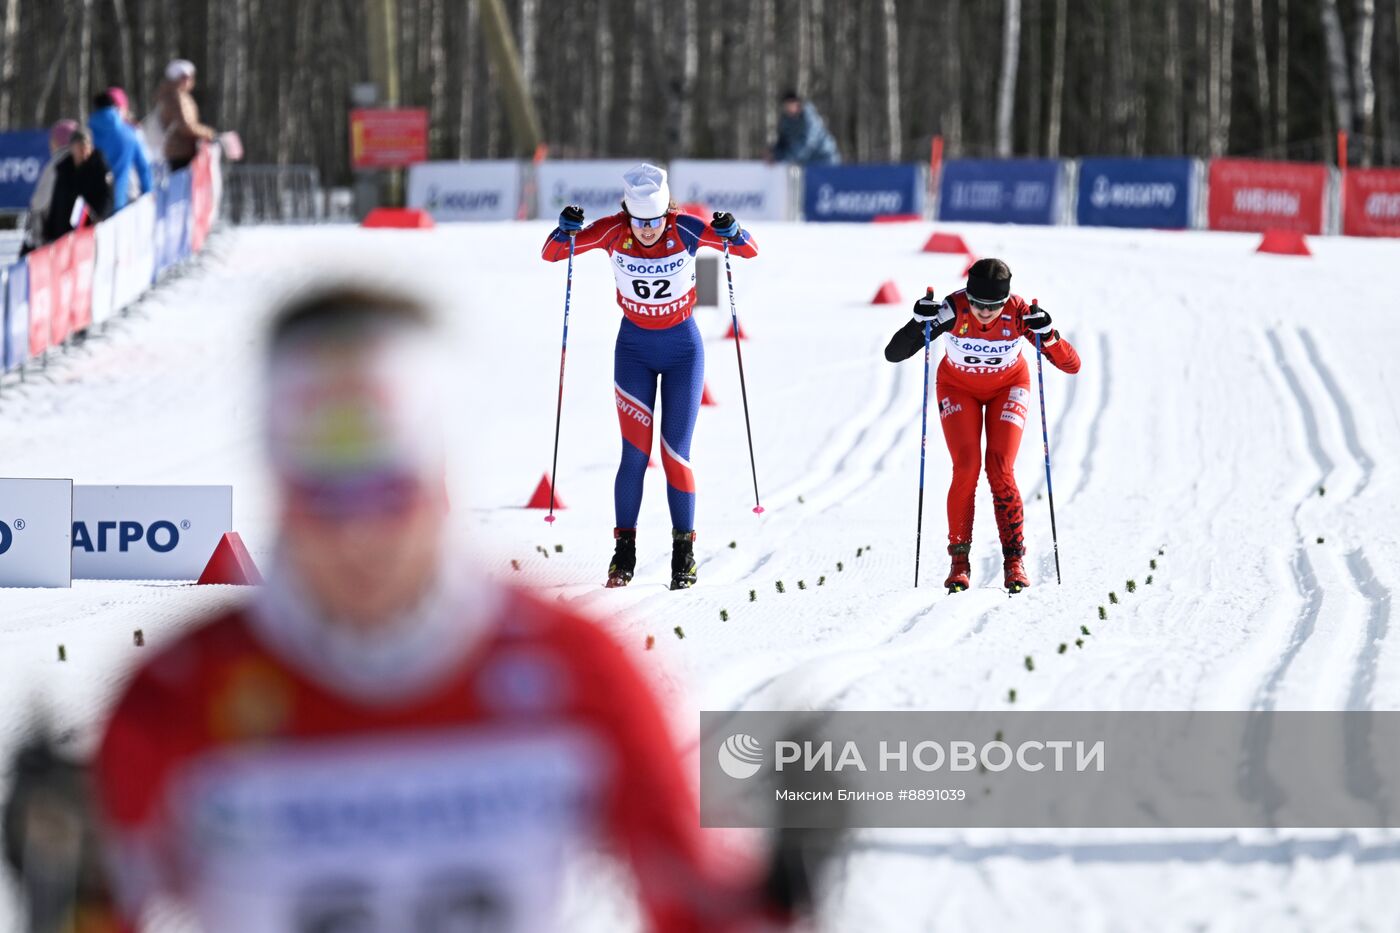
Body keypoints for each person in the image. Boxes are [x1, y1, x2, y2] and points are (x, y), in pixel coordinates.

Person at [90, 286, 805, 932]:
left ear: (440, 476)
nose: (357, 537)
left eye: (388, 492)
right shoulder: (178, 694)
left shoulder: (575, 669)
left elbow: (689, 897)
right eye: (324, 497)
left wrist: (770, 900)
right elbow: (100, 905)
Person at [541, 164, 759, 590]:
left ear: (666, 213)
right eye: (639, 222)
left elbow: (748, 250)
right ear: (627, 214)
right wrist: (563, 230)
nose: (646, 231)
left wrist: (733, 231)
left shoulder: (688, 230)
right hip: (633, 353)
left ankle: (684, 553)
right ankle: (624, 553)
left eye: (654, 222)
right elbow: (551, 254)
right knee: (634, 457)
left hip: (683, 353)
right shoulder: (611, 232)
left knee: (675, 454)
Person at [883, 258, 1081, 593]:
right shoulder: (952, 309)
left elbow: (1071, 365)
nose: (983, 313)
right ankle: (959, 563)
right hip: (958, 389)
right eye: (976, 304)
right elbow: (895, 354)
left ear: (1005, 301)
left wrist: (1048, 335)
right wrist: (917, 324)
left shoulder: (1019, 314)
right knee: (966, 467)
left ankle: (1014, 561)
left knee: (1000, 467)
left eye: (993, 306)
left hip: (1009, 388)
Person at [41, 128, 111, 244]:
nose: (84, 150)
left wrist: (98, 218)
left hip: (90, 234)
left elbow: (107, 198)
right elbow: (57, 202)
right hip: (64, 235)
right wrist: (49, 231)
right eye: (80, 147)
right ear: (72, 148)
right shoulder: (64, 170)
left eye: (87, 146)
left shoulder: (100, 169)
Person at [88, 90, 152, 211]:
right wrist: (147, 193)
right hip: (120, 202)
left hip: (91, 206)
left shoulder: (88, 134)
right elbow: (144, 167)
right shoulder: (130, 133)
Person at [21, 120, 78, 255]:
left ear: (58, 141)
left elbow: (38, 203)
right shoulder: (81, 162)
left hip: (53, 236)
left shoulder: (56, 165)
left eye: (52, 139)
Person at [150, 58, 216, 171]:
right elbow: (185, 125)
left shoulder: (169, 95)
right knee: (181, 185)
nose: (190, 80)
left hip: (173, 151)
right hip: (180, 152)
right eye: (186, 77)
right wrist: (209, 133)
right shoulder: (177, 97)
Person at [768, 91, 839, 166]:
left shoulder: (810, 118)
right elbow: (783, 142)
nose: (788, 110)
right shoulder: (786, 121)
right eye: (786, 107)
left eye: (790, 106)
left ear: (797, 105)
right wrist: (774, 153)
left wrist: (787, 159)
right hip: (806, 163)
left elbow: (809, 144)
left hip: (824, 158)